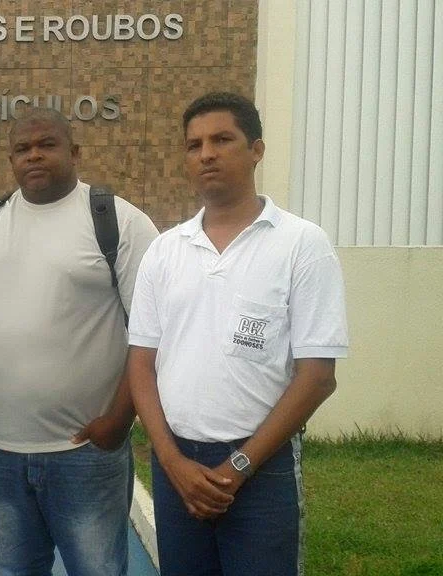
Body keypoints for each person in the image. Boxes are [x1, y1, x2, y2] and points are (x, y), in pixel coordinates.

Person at [126, 92, 349, 576]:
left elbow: (317, 376)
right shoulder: (165, 251)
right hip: (176, 467)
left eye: (222, 139)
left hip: (261, 468)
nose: (206, 154)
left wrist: (239, 466)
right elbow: (140, 366)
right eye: (194, 145)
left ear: (256, 150)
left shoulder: (301, 244)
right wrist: (171, 460)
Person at [0, 107, 159, 576]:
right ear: (11, 159)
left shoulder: (119, 221)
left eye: (47, 145)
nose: (34, 156)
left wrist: (119, 421)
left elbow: (153, 335)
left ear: (75, 152)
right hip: (0, 452)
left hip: (87, 453)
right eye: (22, 149)